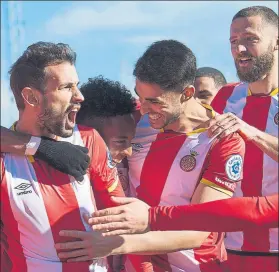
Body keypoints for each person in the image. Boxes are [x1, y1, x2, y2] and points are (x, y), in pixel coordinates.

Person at [55, 40, 246, 272]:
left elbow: (200, 230)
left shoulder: (223, 140)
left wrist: (115, 244)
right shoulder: (134, 118)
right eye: (140, 96)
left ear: (187, 93)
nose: (143, 108)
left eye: (154, 101)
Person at [0, 42, 124, 272]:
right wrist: (36, 147)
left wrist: (112, 244)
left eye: (76, 86)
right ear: (31, 97)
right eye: (67, 87)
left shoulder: (89, 140)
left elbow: (120, 217)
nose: (80, 96)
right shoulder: (4, 159)